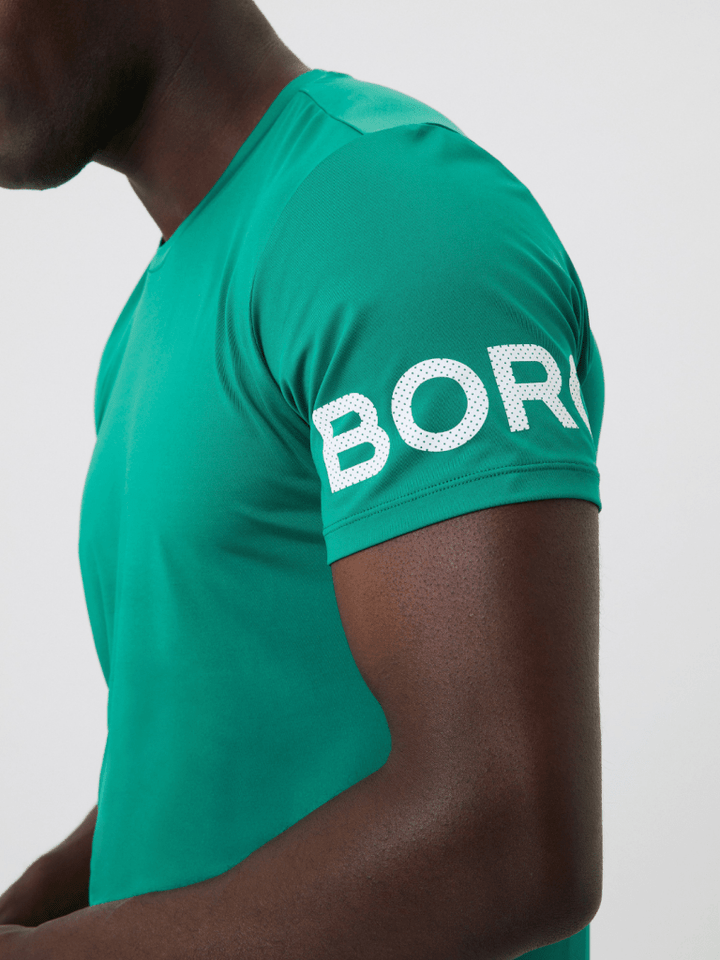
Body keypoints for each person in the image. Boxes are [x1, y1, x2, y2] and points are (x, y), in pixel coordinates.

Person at [0, 0, 604, 957]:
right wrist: (40, 900)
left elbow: (507, 840)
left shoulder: (392, 214)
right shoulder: (149, 319)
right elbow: (222, 743)